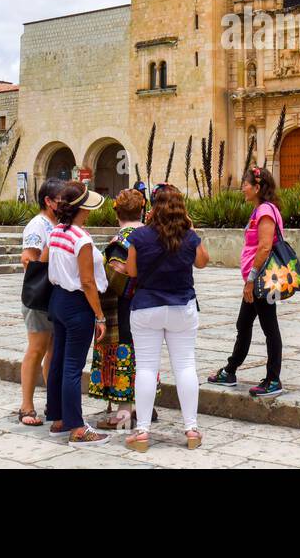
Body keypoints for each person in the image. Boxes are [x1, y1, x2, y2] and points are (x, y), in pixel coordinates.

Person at [123, 185, 209, 451]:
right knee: (185, 366)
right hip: (182, 307)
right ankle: (191, 429)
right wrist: (191, 230)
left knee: (147, 368)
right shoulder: (188, 236)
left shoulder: (140, 236)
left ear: (153, 207)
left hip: (147, 307)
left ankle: (142, 432)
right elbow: (203, 262)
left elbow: (132, 270)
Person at [42, 181, 111, 446]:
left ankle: (58, 417)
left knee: (59, 361)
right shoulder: (81, 238)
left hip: (58, 300)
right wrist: (100, 315)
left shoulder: (57, 231)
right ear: (81, 207)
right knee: (72, 365)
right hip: (77, 303)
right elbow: (87, 281)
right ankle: (77, 427)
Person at [207, 167, 283, 398]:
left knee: (270, 328)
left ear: (257, 187)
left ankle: (273, 379)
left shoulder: (266, 211)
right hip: (255, 281)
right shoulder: (258, 210)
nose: (242, 188)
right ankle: (230, 371)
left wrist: (250, 280)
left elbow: (265, 246)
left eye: (245, 184)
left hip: (263, 281)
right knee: (243, 324)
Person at [88, 188, 148, 430]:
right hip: (149, 303)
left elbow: (118, 273)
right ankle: (144, 405)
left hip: (123, 307)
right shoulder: (151, 235)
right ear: (142, 210)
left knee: (124, 352)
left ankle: (124, 413)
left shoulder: (120, 241)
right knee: (144, 355)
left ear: (117, 214)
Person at [17, 178, 61, 427]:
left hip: (55, 296)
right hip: (40, 297)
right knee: (37, 349)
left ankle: (52, 401)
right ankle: (26, 405)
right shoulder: (38, 226)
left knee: (53, 352)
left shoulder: (57, 223)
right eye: (61, 200)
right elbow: (28, 260)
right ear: (48, 201)